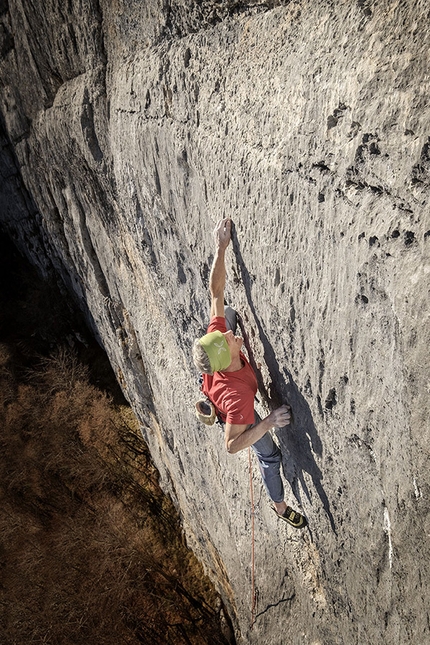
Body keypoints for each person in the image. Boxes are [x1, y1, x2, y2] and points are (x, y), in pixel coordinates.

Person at [193, 218, 307, 529]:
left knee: (226, 311)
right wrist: (269, 422)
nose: (231, 334)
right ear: (225, 356)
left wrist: (221, 247)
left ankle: (207, 397)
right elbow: (231, 446)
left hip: (219, 380)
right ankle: (280, 506)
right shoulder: (240, 399)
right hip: (230, 406)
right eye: (230, 339)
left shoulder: (219, 337)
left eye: (225, 335)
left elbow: (216, 292)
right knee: (270, 455)